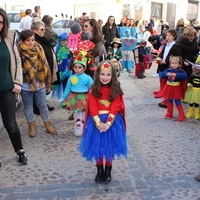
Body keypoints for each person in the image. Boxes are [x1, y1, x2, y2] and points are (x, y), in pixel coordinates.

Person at [79, 60, 127, 184]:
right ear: (97, 74)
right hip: (97, 122)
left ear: (113, 75)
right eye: (102, 74)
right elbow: (93, 106)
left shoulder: (116, 89)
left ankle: (108, 170)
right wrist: (98, 123)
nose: (105, 77)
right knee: (98, 146)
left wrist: (108, 124)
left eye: (108, 74)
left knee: (109, 146)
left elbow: (115, 106)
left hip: (112, 123)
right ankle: (99, 169)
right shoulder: (93, 89)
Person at [0, 8, 28, 167]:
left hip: (7, 89)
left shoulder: (9, 36)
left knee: (10, 123)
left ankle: (20, 151)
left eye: (1, 22)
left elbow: (17, 61)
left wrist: (17, 82)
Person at [18, 29, 57, 137]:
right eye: (28, 40)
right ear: (21, 41)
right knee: (28, 106)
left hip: (40, 83)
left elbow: (46, 66)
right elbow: (16, 69)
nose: (31, 42)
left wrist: (48, 83)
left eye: (32, 39)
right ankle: (31, 126)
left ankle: (48, 125)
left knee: (43, 105)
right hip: (25, 84)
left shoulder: (39, 47)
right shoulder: (18, 51)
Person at [59, 53, 93, 136]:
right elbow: (67, 88)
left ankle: (85, 126)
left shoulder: (88, 78)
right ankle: (78, 126)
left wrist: (94, 98)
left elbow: (91, 88)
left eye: (80, 67)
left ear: (84, 68)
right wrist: (63, 97)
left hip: (84, 97)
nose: (77, 69)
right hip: (74, 97)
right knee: (76, 112)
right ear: (73, 68)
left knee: (85, 113)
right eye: (75, 67)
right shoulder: (71, 77)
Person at [31, 21, 58, 114]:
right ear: (35, 30)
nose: (43, 31)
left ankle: (43, 105)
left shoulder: (42, 39)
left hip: (46, 69)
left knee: (43, 89)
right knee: (39, 90)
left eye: (44, 29)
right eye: (41, 30)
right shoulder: (34, 41)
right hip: (39, 71)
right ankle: (38, 108)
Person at [154, 29, 180, 109]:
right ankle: (163, 96)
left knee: (167, 85)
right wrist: (159, 59)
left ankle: (166, 101)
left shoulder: (176, 46)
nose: (167, 37)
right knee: (162, 81)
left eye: (169, 36)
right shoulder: (166, 45)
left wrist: (165, 61)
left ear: (174, 36)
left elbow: (176, 58)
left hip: (169, 67)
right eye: (167, 35)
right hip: (162, 66)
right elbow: (162, 54)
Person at [159, 56, 187, 121]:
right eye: (172, 63)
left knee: (177, 102)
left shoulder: (180, 71)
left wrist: (176, 75)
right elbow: (161, 74)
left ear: (179, 64)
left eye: (176, 63)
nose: (174, 65)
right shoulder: (168, 70)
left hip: (176, 89)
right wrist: (167, 74)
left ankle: (181, 114)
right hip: (169, 88)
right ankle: (169, 113)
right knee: (169, 100)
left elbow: (184, 76)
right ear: (170, 64)